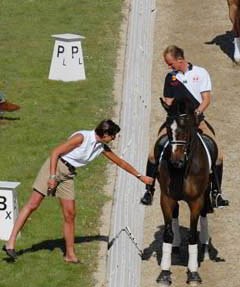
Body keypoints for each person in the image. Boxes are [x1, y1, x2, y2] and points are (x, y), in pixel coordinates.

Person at [3, 119, 153, 263]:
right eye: (113, 136)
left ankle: (70, 254)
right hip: (55, 167)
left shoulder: (101, 147)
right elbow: (55, 152)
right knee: (33, 205)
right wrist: (52, 176)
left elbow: (120, 162)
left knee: (70, 214)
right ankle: (10, 243)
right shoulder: (81, 138)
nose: (114, 139)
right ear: (106, 134)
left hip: (68, 175)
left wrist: (140, 177)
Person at [141, 45, 229, 208]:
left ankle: (216, 193)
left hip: (197, 119)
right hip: (176, 121)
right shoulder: (170, 78)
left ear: (180, 60)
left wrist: (195, 114)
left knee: (219, 156)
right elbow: (168, 100)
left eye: (170, 63)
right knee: (153, 155)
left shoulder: (201, 73)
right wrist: (174, 110)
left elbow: (206, 99)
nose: (169, 67)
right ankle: (149, 189)